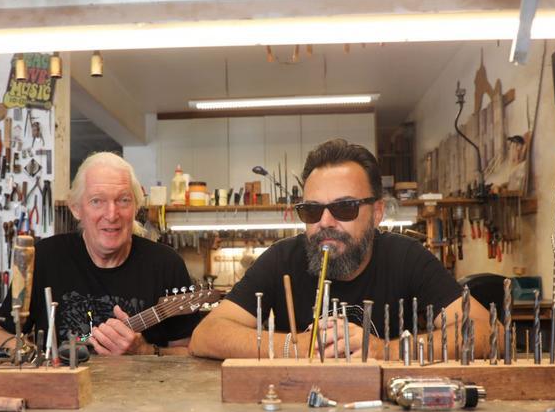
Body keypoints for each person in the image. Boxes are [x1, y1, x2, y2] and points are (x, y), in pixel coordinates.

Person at [189, 139, 491, 360]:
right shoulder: (283, 259)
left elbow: (487, 332)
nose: (325, 222)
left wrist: (382, 349)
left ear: (376, 213)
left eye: (344, 207)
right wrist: (294, 346)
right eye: (311, 211)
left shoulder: (407, 258)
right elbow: (206, 335)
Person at [0, 152, 199, 355]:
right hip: (61, 386)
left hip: (140, 386)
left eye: (123, 200)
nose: (111, 215)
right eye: (97, 201)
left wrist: (144, 351)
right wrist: (31, 354)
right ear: (76, 208)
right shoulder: (44, 257)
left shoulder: (166, 264)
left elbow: (190, 353)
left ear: (136, 207)